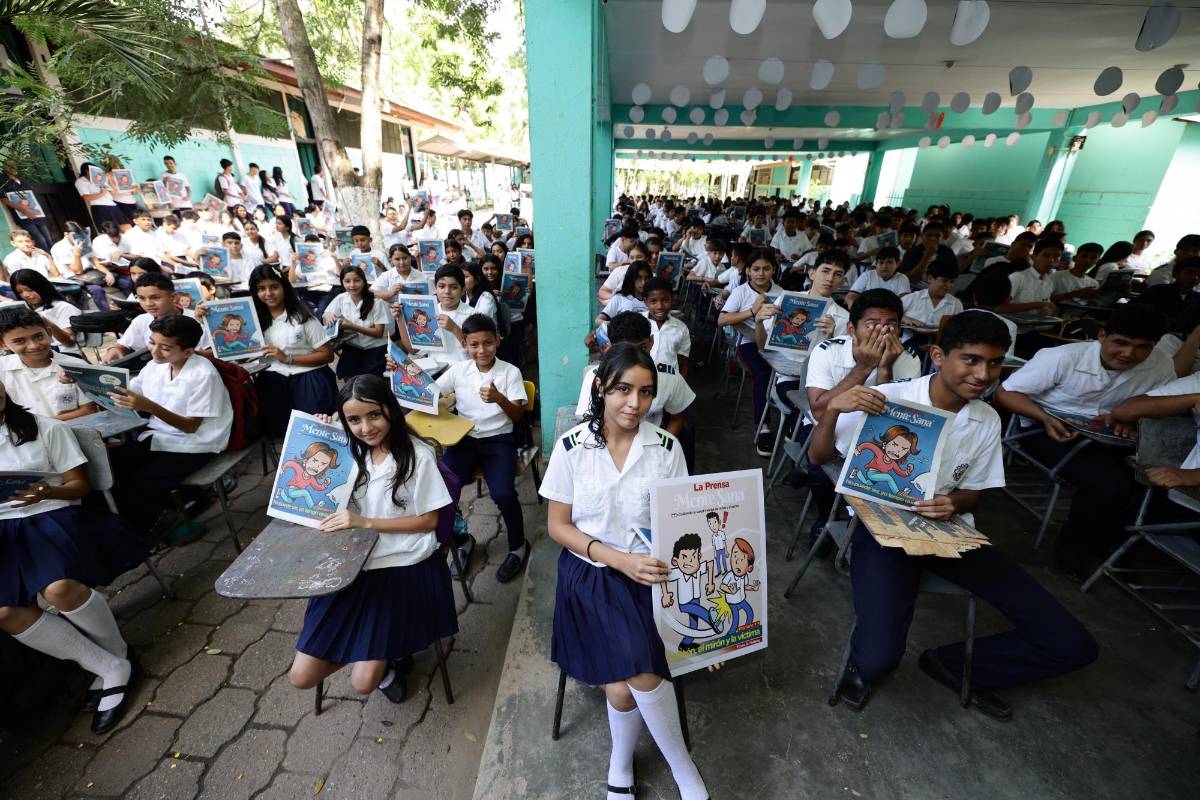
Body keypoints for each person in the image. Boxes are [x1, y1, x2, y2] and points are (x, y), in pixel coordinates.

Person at [815, 312, 1098, 719]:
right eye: (971, 360)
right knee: (878, 661)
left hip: (948, 533)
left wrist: (954, 504)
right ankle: (869, 661)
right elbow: (819, 457)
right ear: (938, 356)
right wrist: (831, 412)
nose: (984, 374)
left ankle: (955, 664)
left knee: (1072, 645)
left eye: (995, 362)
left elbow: (973, 494)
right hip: (883, 533)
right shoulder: (889, 397)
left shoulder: (986, 419)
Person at [541, 344, 712, 800]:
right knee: (633, 680)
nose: (634, 404)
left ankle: (637, 767)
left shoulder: (667, 449)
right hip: (590, 577)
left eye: (645, 392)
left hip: (652, 575)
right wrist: (616, 559)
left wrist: (714, 632)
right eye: (622, 390)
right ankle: (674, 770)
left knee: (625, 689)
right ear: (601, 388)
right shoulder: (572, 448)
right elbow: (558, 527)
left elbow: (682, 528)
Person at [288, 375, 457, 705]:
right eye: (354, 419)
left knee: (364, 683)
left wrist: (365, 522)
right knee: (300, 677)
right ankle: (383, 653)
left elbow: (430, 520)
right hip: (352, 566)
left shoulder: (416, 455)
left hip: (401, 565)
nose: (365, 427)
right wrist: (320, 432)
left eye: (374, 415)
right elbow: (307, 477)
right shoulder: (343, 447)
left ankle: (384, 659)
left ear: (390, 411)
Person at [0, 384, 146, 734]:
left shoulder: (45, 428)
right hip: (5, 528)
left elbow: (79, 486)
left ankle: (118, 657)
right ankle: (107, 665)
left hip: (54, 513)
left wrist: (48, 491)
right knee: (4, 611)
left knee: (58, 588)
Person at [995, 303, 1176, 580]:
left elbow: (1159, 403)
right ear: (1102, 335)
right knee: (1108, 485)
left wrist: (1133, 420)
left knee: (1153, 479)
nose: (1129, 354)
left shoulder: (1160, 363)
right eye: (1121, 343)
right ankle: (1072, 551)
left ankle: (1112, 546)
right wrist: (1043, 418)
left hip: (1112, 438)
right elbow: (1005, 394)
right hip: (1047, 430)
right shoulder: (1062, 357)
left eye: (1143, 347)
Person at [107, 315, 233, 533]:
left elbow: (191, 427)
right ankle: (184, 502)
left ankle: (162, 525)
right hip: (160, 436)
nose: (154, 351)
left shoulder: (203, 374)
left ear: (187, 352)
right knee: (112, 466)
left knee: (142, 484)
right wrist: (90, 381)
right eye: (152, 342)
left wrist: (150, 407)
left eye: (165, 348)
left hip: (197, 444)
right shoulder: (155, 365)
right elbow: (131, 389)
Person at [434, 314, 530, 581]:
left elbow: (517, 416)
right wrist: (403, 369)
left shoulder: (510, 372)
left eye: (487, 343)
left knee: (503, 493)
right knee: (442, 490)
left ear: (497, 341)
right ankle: (462, 540)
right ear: (465, 344)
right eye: (474, 345)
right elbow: (430, 391)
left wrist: (499, 398)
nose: (482, 350)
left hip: (499, 440)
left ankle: (518, 545)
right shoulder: (458, 371)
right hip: (464, 439)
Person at [232, 265, 335, 436]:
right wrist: (206, 318)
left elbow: (327, 354)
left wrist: (287, 358)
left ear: (284, 288)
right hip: (272, 381)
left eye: (274, 286)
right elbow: (241, 356)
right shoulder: (250, 321)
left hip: (309, 378)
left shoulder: (302, 317)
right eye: (261, 289)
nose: (268, 293)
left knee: (313, 431)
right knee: (278, 433)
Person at [718, 250, 784, 455]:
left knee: (790, 375)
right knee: (762, 374)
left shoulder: (781, 292)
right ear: (748, 271)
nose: (761, 273)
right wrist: (752, 312)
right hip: (748, 342)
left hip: (776, 343)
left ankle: (790, 425)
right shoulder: (741, 292)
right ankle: (764, 426)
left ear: (773, 270)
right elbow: (721, 320)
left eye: (766, 268)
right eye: (756, 269)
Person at [0, 307, 95, 419]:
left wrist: (40, 426)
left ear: (49, 333)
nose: (34, 345)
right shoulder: (2, 368)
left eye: (38, 336)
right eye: (19, 341)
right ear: (2, 344)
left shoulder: (76, 365)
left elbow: (89, 410)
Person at [103, 274, 212, 362]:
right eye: (141, 298)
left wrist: (181, 355)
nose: (148, 303)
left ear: (173, 297)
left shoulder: (198, 319)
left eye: (155, 297)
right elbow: (123, 345)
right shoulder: (141, 320)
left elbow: (213, 354)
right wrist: (115, 349)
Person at [394, 264, 474, 370]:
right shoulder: (429, 312)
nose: (447, 291)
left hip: (464, 371)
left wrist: (454, 328)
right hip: (436, 371)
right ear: (435, 288)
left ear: (463, 290)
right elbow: (414, 350)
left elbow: (477, 349)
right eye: (441, 286)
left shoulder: (472, 314)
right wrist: (400, 319)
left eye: (454, 287)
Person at [323, 265, 390, 377]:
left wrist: (352, 326)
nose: (352, 285)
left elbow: (378, 332)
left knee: (369, 380)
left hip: (375, 348)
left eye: (357, 280)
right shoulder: (341, 298)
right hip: (353, 348)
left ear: (364, 281)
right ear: (342, 283)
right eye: (347, 281)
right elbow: (327, 314)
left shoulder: (376, 302)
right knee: (345, 374)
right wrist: (328, 315)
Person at [8, 269, 82, 355]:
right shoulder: (30, 309)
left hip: (67, 355)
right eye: (20, 292)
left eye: (29, 290)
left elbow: (70, 342)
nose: (25, 295)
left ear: (41, 287)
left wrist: (45, 321)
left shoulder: (62, 307)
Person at [996, 238, 1062, 315]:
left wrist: (1049, 310)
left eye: (1056, 256)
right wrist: (1039, 304)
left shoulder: (1050, 281)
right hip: (1014, 325)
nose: (1051, 260)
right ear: (1034, 256)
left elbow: (1046, 306)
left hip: (1038, 325)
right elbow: (1000, 308)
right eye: (1046, 255)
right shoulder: (1018, 277)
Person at [900, 260, 963, 341]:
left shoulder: (956, 305)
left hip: (940, 346)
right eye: (945, 281)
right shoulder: (912, 298)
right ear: (930, 278)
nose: (949, 285)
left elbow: (959, 330)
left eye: (952, 281)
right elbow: (891, 314)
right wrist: (904, 318)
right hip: (908, 346)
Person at [643, 277, 690, 376]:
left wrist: (680, 386)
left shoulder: (681, 328)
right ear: (646, 301)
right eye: (653, 301)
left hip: (669, 384)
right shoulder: (637, 322)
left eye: (665, 300)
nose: (660, 306)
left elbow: (683, 363)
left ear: (672, 300)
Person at [1, 164, 52, 251]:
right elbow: (4, 199)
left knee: (48, 239)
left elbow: (30, 195)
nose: (13, 168)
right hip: (23, 216)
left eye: (13, 165)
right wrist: (23, 209)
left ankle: (54, 260)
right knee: (40, 240)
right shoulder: (3, 181)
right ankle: (46, 259)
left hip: (35, 213)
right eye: (9, 166)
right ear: (5, 168)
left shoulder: (22, 180)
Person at [844, 246, 908, 311]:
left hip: (891, 313)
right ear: (876, 264)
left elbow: (904, 301)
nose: (884, 266)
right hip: (867, 312)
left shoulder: (902, 278)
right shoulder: (867, 275)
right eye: (881, 263)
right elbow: (850, 295)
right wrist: (853, 305)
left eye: (889, 262)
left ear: (897, 264)